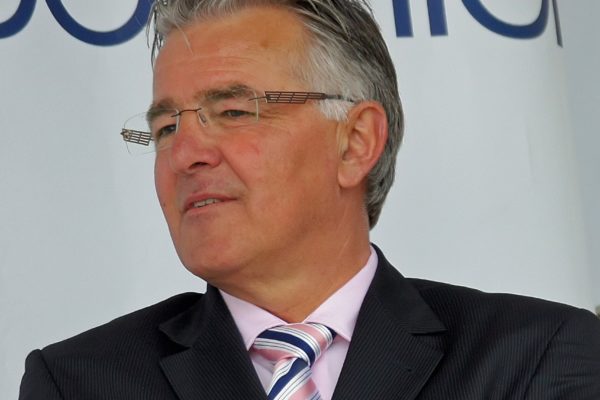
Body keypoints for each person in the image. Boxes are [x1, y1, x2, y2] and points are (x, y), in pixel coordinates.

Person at [19, 1, 600, 399]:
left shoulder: (533, 357)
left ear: (355, 142)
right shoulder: (79, 382)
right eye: (166, 127)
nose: (185, 153)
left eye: (233, 111)